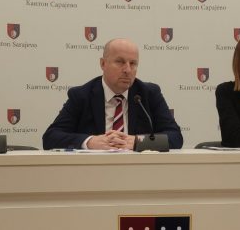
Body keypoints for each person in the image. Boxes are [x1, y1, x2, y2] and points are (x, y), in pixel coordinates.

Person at [42, 38, 183, 150]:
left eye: (133, 63)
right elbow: (51, 137)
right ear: (103, 64)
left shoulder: (149, 94)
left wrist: (138, 142)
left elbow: (175, 137)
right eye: (120, 62)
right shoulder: (81, 95)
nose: (127, 70)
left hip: (138, 169)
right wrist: (90, 142)